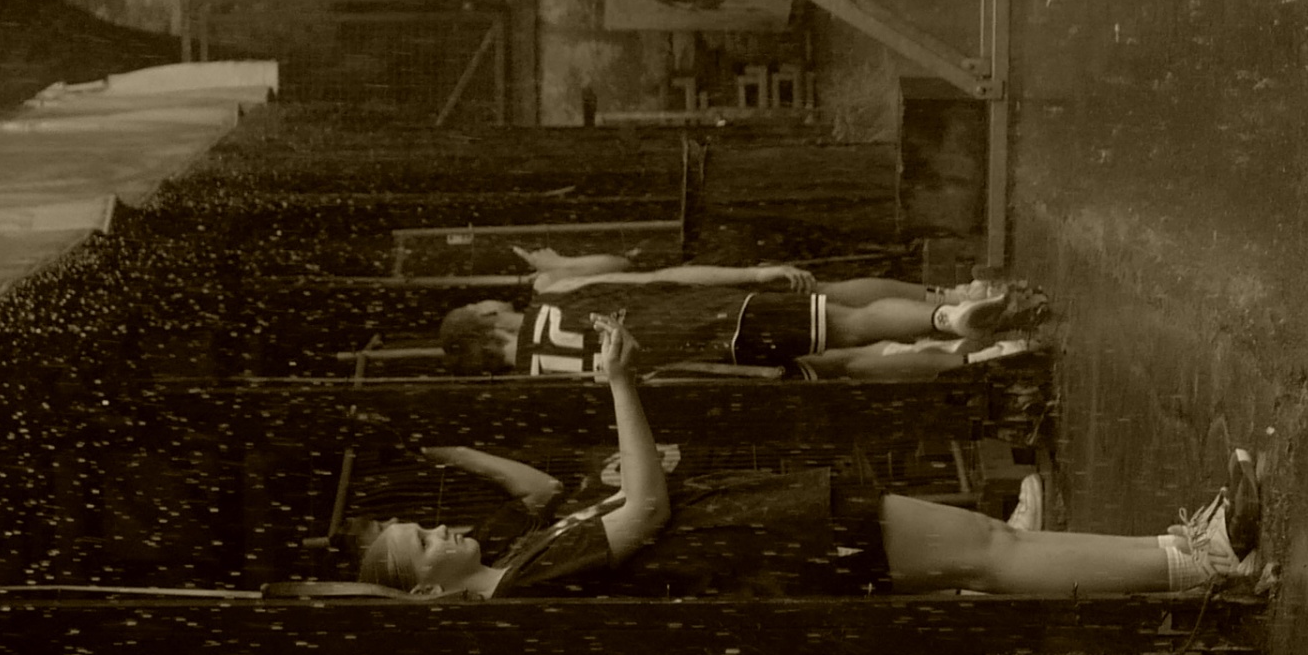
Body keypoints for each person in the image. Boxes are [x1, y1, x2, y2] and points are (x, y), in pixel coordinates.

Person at [359, 317, 1262, 601]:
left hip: (763, 533)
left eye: (421, 522)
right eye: (421, 543)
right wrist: (622, 386)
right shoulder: (523, 585)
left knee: (990, 552)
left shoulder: (525, 556)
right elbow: (644, 515)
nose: (439, 530)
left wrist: (462, 450)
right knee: (993, 554)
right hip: (765, 542)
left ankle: (1188, 560)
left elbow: (562, 493)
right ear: (427, 592)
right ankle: (1198, 562)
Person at [437, 251, 1043, 382]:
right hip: (714, 318)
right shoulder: (551, 292)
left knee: (842, 368)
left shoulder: (540, 387)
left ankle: (979, 362)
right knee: (847, 321)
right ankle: (946, 316)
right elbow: (647, 275)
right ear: (487, 315)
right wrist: (748, 275)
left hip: (710, 379)